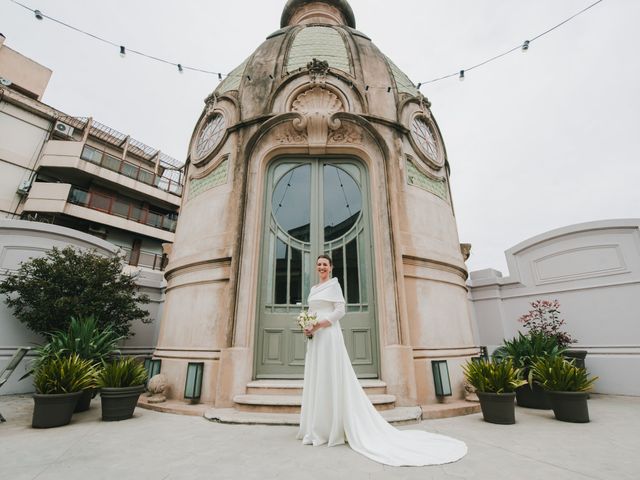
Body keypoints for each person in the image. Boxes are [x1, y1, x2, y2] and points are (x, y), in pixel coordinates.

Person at [297, 255, 467, 466]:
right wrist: (308, 326)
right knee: (318, 377)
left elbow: (341, 310)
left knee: (330, 376)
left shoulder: (334, 285)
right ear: (316, 267)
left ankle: (334, 426)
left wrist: (319, 325)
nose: (322, 267)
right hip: (315, 338)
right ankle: (317, 426)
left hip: (329, 335)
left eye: (325, 264)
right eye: (319, 264)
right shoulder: (313, 289)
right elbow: (311, 311)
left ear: (331, 268)